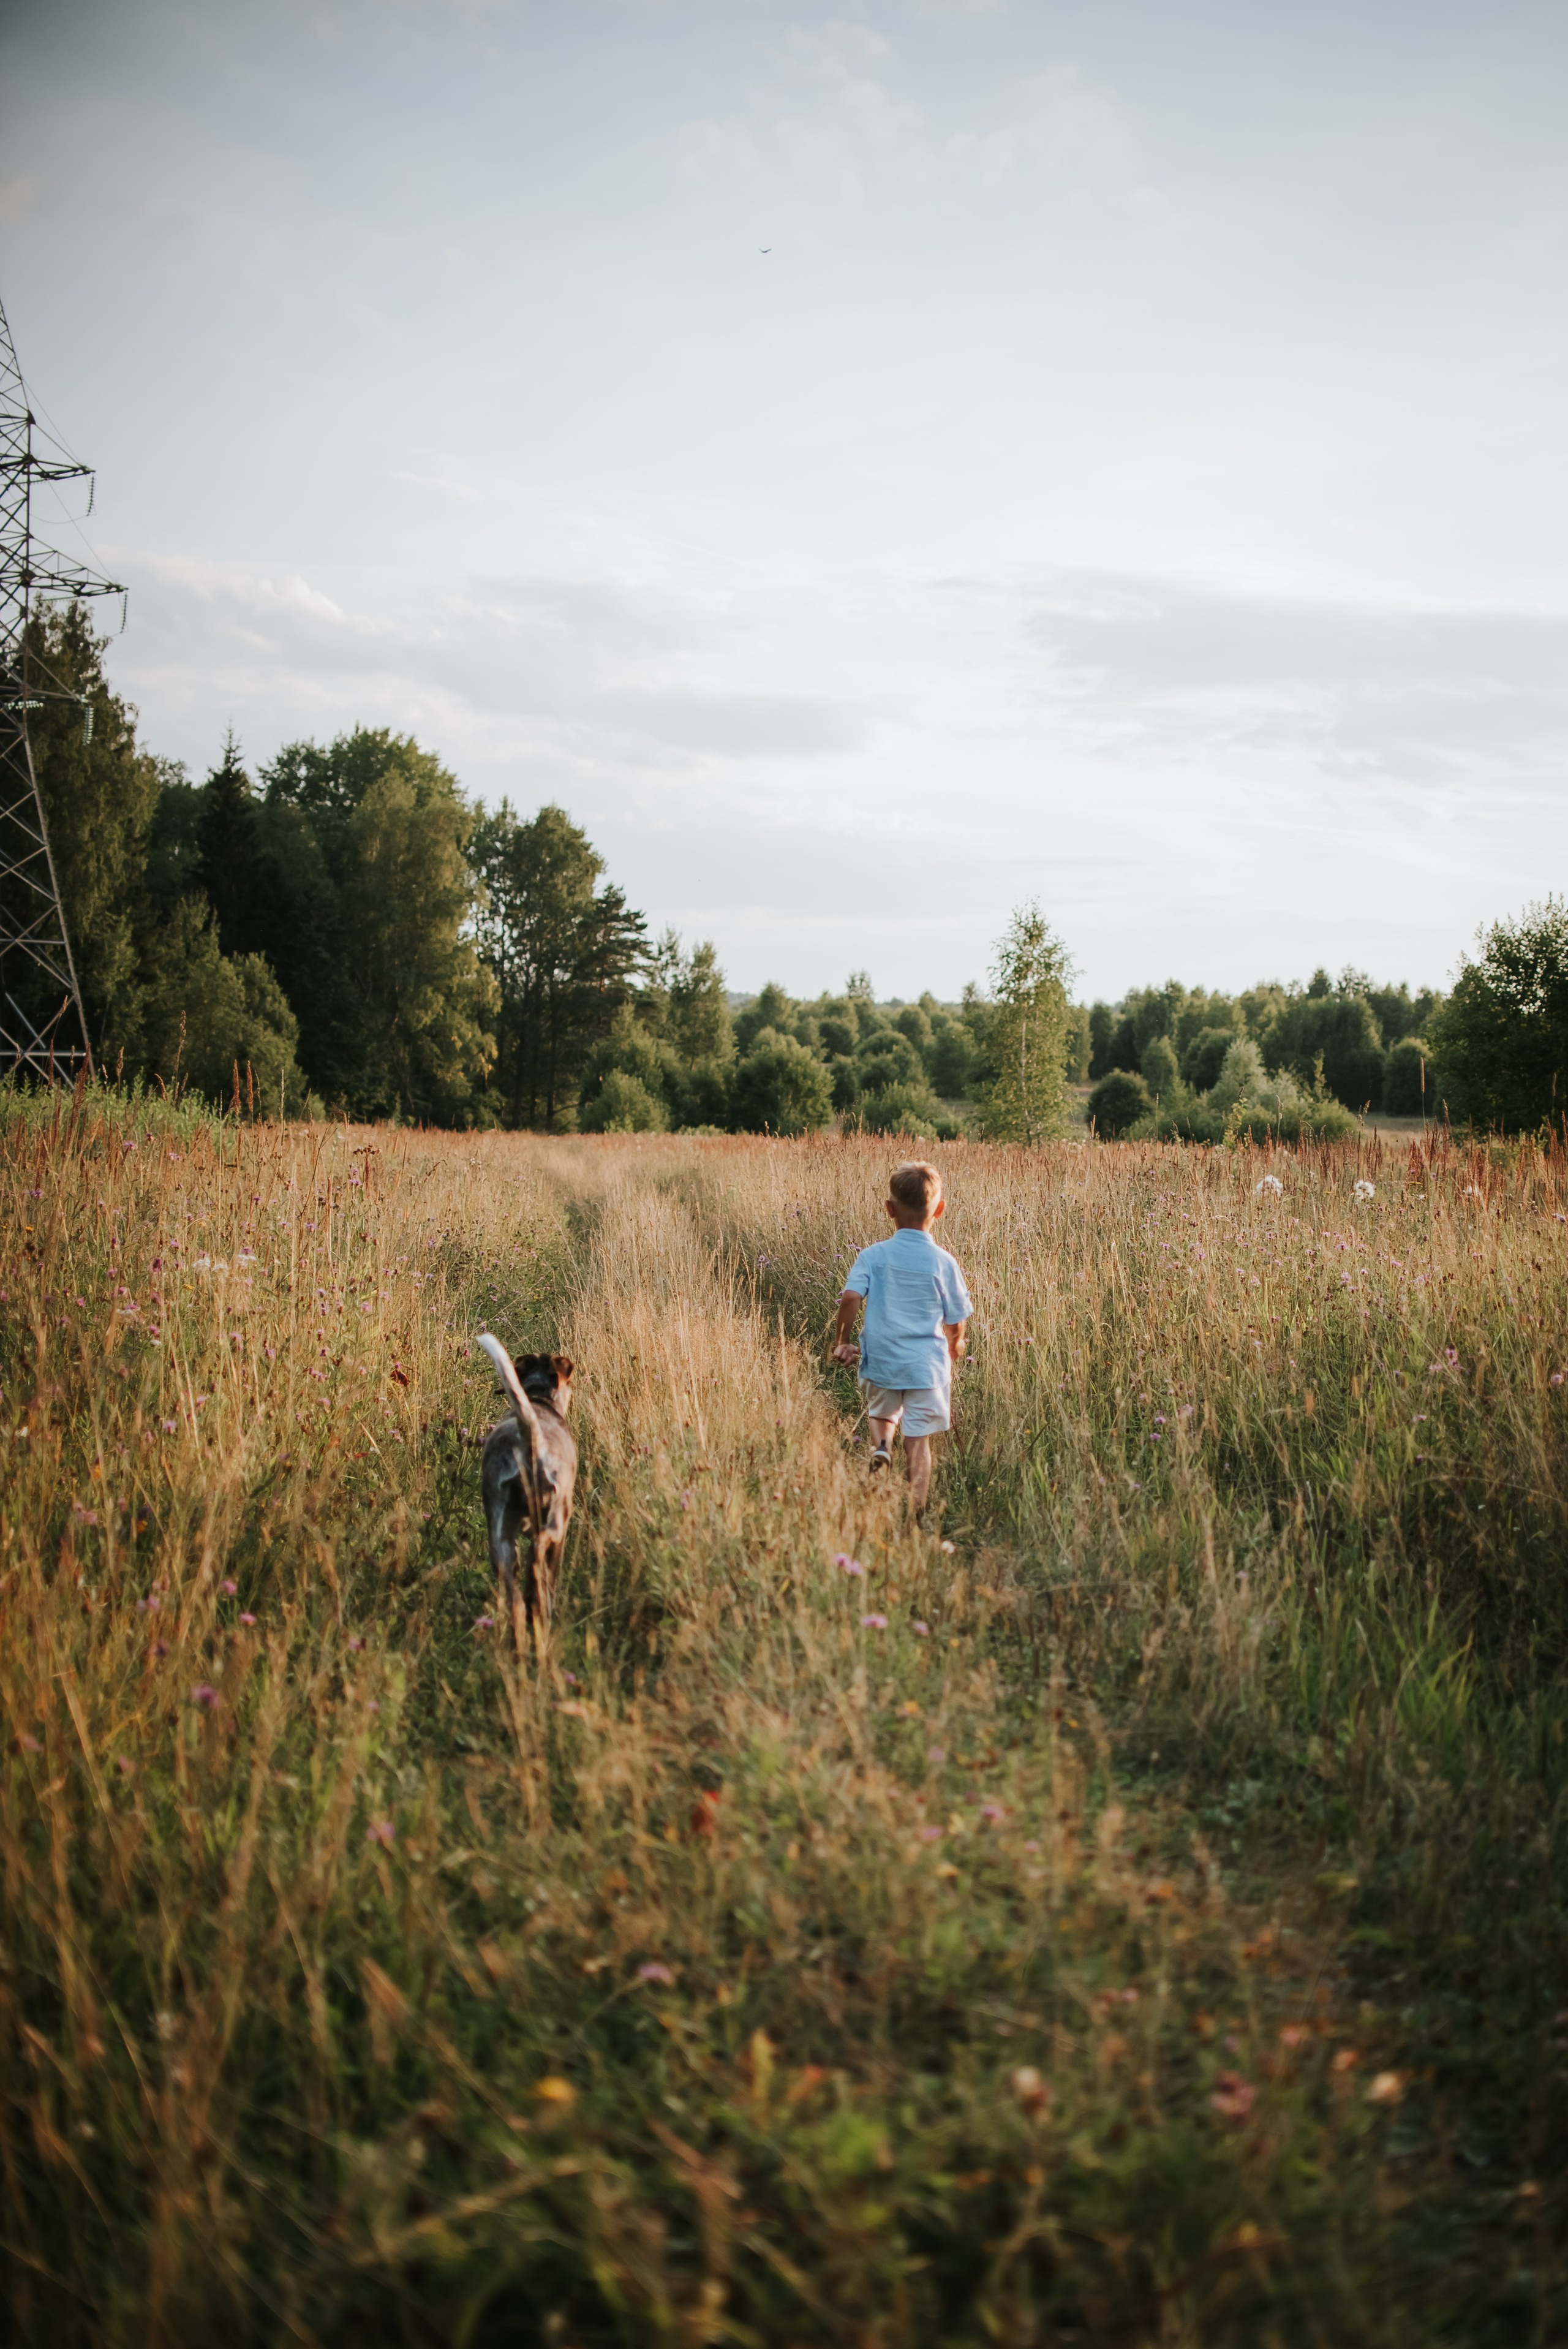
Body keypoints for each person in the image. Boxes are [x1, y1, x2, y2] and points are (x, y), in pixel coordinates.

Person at [831, 1159, 973, 1521]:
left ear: (889, 1210)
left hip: (882, 1359)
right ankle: (918, 1513)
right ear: (939, 1210)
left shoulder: (873, 1256)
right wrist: (956, 1343)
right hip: (927, 1367)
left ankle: (881, 1446)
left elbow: (850, 1298)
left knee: (883, 1412)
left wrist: (843, 1339)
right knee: (919, 1439)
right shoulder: (944, 1262)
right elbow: (955, 1318)